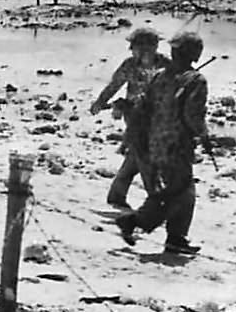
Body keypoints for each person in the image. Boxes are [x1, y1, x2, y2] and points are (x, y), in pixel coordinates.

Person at [115, 31, 211, 255]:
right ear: (195, 53)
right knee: (177, 190)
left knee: (184, 191)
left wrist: (136, 138)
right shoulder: (195, 80)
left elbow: (142, 109)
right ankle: (135, 221)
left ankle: (176, 239)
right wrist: (204, 136)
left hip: (156, 143)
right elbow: (193, 115)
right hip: (177, 145)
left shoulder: (159, 76)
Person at [89, 26, 170, 209]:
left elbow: (177, 87)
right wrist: (101, 102)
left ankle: (117, 195)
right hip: (134, 116)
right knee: (144, 155)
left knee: (137, 155)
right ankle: (155, 198)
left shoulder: (165, 65)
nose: (131, 50)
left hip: (157, 118)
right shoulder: (129, 65)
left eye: (134, 46)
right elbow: (114, 85)